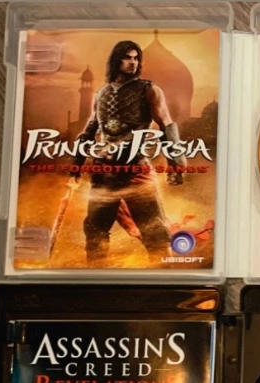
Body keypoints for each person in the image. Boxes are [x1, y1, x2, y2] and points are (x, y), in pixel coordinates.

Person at [72, 40, 188, 265]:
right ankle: (94, 279)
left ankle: (166, 280)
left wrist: (176, 165)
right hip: (104, 173)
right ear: (116, 60)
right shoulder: (101, 93)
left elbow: (166, 125)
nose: (132, 62)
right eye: (127, 57)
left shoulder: (149, 90)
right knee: (95, 234)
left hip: (136, 171)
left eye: (136, 58)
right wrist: (76, 164)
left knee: (156, 233)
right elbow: (91, 128)